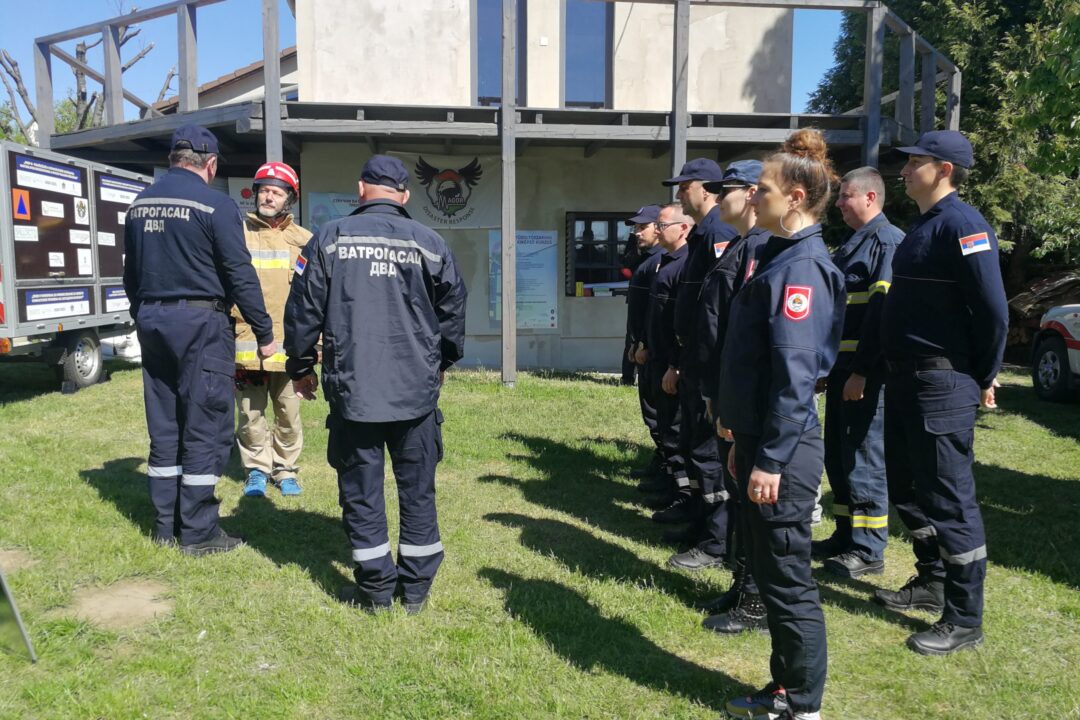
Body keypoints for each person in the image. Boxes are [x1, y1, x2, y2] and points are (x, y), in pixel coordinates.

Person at [284, 155, 467, 615]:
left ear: (361, 189)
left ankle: (376, 591)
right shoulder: (430, 242)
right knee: (417, 489)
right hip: (415, 392)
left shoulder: (330, 237)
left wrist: (300, 365)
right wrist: (440, 362)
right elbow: (453, 312)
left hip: (355, 391)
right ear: (404, 196)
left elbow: (303, 310)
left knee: (361, 490)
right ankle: (417, 591)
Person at [717, 129, 845, 720]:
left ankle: (803, 704)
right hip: (762, 440)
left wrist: (768, 458)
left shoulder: (802, 269)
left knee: (789, 582)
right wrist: (742, 439)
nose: (752, 197)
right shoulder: (777, 255)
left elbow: (795, 379)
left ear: (794, 197)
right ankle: (784, 688)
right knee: (771, 577)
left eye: (762, 189)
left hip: (784, 451)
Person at [875, 130, 1008, 655]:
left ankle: (964, 617)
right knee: (908, 488)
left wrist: (983, 375)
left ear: (945, 169)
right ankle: (931, 581)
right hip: (907, 379)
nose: (904, 171)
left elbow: (993, 310)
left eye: (915, 162)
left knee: (950, 500)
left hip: (941, 382)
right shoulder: (924, 226)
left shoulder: (964, 225)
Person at [123, 124, 276, 556]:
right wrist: (263, 332)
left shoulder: (138, 205)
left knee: (165, 422)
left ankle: (164, 526)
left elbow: (130, 274)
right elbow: (238, 274)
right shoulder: (215, 204)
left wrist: (144, 314)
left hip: (152, 319)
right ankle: (199, 531)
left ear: (173, 158)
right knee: (205, 424)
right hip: (201, 324)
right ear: (210, 164)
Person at [811, 167, 903, 578]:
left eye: (846, 196)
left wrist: (863, 372)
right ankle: (846, 533)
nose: (839, 203)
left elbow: (882, 318)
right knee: (840, 453)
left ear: (870, 198)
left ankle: (868, 549)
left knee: (864, 456)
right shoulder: (852, 245)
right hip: (841, 370)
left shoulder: (886, 243)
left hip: (866, 375)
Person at [694, 160, 773, 631]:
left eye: (726, 189)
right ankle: (743, 583)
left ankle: (757, 599)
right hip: (726, 391)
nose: (717, 197)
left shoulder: (761, 249)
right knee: (741, 498)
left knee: (752, 502)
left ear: (749, 194)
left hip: (744, 397)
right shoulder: (742, 246)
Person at [654, 160, 738, 535]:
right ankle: (701, 518)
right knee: (692, 443)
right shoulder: (704, 233)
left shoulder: (719, 229)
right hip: (691, 355)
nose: (678, 193)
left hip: (709, 359)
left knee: (707, 451)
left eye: (684, 186)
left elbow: (719, 302)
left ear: (706, 188)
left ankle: (717, 537)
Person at [234, 162, 313, 498]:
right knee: (250, 414)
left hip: (289, 346)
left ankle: (285, 470)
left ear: (289, 199)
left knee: (288, 414)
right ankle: (256, 469)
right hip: (246, 343)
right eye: (264, 190)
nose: (268, 197)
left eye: (276, 192)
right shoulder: (236, 235)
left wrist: (315, 346)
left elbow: (314, 298)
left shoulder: (304, 240)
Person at [642, 203, 693, 505]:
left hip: (673, 364)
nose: (657, 231)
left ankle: (683, 495)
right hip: (657, 359)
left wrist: (675, 364)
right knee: (664, 425)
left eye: (663, 225)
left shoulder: (686, 265)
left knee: (676, 430)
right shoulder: (666, 262)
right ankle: (672, 486)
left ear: (683, 228)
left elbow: (683, 323)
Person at [622, 205, 666, 484]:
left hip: (653, 349)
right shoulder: (646, 259)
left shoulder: (663, 261)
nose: (637, 232)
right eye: (635, 227)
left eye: (642, 227)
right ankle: (661, 462)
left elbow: (657, 313)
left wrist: (644, 344)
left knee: (659, 413)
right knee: (651, 412)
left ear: (658, 228)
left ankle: (667, 470)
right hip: (641, 344)